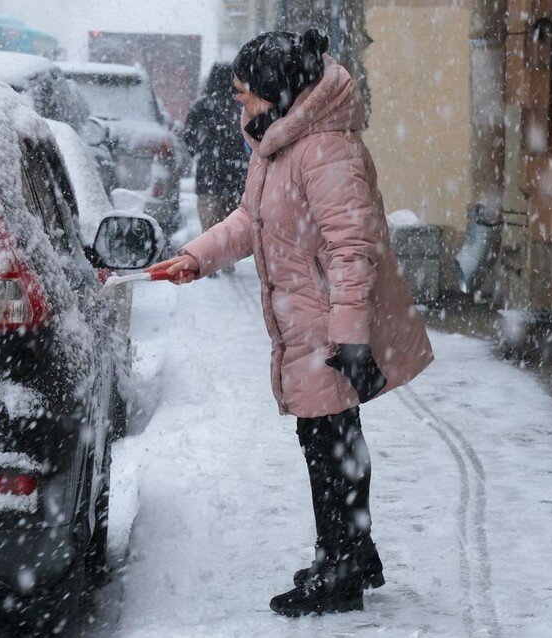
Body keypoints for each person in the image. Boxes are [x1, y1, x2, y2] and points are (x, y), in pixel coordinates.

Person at [146, 29, 434, 617]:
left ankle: (343, 567)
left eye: (245, 93)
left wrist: (351, 338)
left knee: (331, 442)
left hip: (330, 325)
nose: (239, 104)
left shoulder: (325, 149)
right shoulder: (278, 143)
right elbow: (251, 220)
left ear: (277, 92)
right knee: (326, 438)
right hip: (307, 324)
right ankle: (352, 550)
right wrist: (196, 256)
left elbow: (353, 250)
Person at [183, 62, 249, 276]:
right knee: (229, 219)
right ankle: (225, 259)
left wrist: (202, 155)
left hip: (209, 175)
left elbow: (189, 136)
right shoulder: (243, 107)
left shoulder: (202, 106)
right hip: (237, 175)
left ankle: (209, 259)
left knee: (210, 220)